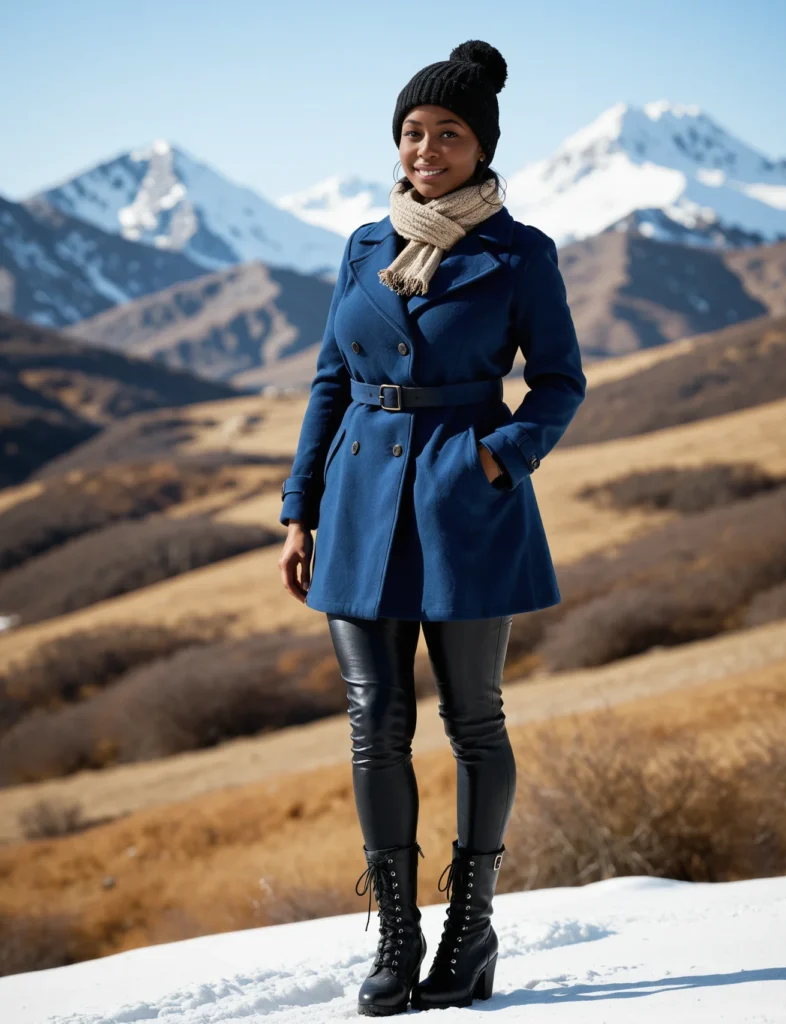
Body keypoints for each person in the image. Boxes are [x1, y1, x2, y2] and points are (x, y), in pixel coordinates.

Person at [278, 39, 587, 1017]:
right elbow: (331, 380)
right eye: (412, 132)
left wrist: (501, 452)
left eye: (445, 134)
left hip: (467, 504)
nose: (424, 148)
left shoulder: (519, 253)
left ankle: (471, 924)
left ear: (479, 146)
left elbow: (558, 381)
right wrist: (298, 507)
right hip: (360, 505)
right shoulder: (364, 245)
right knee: (374, 721)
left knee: (471, 719)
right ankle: (397, 933)